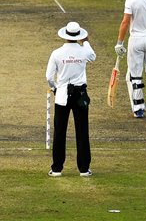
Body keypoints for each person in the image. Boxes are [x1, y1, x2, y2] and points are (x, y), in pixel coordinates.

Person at [46, 21, 96, 177]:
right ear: (78, 36)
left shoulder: (56, 53)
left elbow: (49, 77)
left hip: (61, 95)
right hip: (80, 95)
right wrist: (86, 41)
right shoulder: (83, 51)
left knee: (59, 131)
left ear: (66, 36)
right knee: (82, 131)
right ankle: (84, 169)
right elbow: (93, 56)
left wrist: (55, 88)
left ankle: (56, 169)